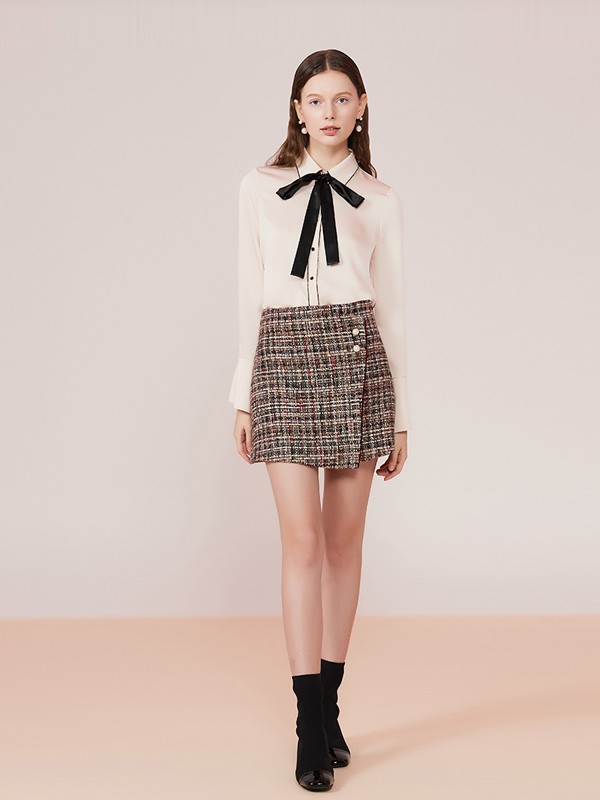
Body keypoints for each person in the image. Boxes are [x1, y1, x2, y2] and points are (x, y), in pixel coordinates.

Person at [229, 48, 410, 792]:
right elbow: (249, 295)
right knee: (300, 541)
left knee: (342, 543)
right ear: (296, 110)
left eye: (341, 99)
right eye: (314, 100)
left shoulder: (382, 199)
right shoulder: (258, 187)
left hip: (358, 359)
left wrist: (402, 415)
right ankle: (309, 721)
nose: (328, 112)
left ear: (362, 107)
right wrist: (243, 395)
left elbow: (393, 313)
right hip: (281, 359)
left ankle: (329, 702)